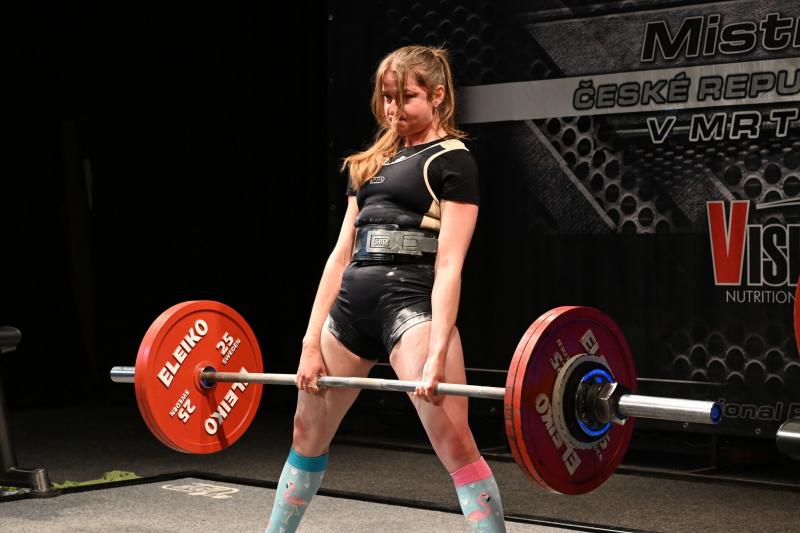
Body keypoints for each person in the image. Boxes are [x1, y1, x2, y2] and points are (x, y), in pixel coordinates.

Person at [265, 44, 506, 533]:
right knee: (305, 433)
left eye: (407, 97)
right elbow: (339, 257)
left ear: (438, 96)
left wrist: (437, 352)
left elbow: (450, 264)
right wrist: (310, 342)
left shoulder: (453, 161)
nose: (394, 109)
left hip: (411, 309)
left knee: (455, 444)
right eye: (388, 98)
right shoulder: (370, 164)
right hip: (349, 310)